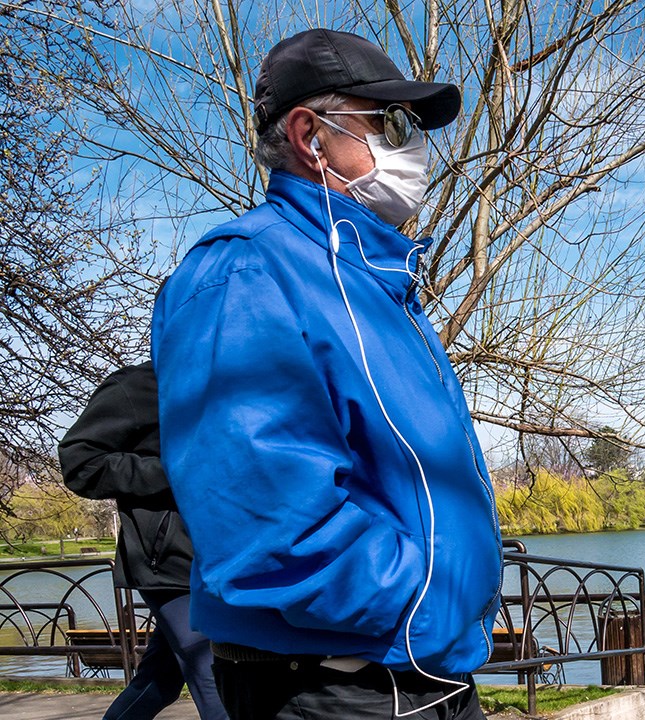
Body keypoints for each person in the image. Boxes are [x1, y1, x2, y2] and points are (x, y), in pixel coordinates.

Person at [149, 28, 503, 720]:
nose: (413, 148)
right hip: (341, 688)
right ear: (311, 135)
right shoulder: (246, 271)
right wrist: (425, 595)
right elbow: (265, 513)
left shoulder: (376, 282)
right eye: (390, 123)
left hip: (421, 670)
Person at [59, 362, 229, 720]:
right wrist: (174, 471)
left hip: (228, 556)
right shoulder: (140, 383)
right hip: (169, 561)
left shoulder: (229, 380)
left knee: (160, 680)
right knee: (213, 674)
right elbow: (79, 463)